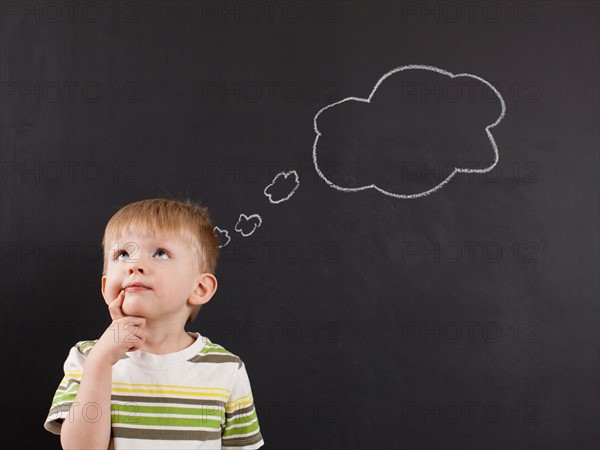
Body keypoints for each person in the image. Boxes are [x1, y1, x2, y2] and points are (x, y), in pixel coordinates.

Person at [43, 198, 264, 449]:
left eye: (160, 253)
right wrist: (101, 361)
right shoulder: (87, 358)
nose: (134, 265)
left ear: (200, 288)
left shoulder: (225, 369)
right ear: (106, 288)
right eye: (123, 254)